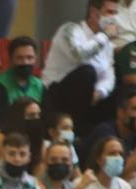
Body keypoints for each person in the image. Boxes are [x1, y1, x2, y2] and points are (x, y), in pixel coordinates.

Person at [42, 0, 119, 132]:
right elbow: (79, 55)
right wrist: (105, 36)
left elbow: (109, 75)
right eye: (110, 12)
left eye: (116, 13)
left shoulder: (106, 42)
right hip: (57, 95)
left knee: (120, 92)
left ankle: (104, 138)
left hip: (89, 99)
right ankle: (78, 131)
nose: (114, 18)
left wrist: (100, 91)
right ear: (94, 13)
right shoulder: (70, 30)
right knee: (87, 73)